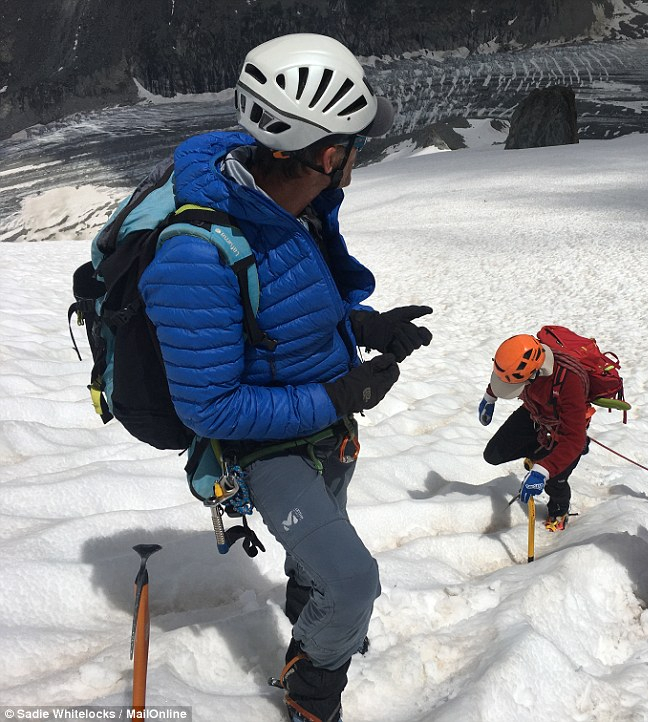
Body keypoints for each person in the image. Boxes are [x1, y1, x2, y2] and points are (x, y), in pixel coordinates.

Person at [138, 34, 432, 722]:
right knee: (354, 578)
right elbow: (211, 406)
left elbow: (287, 311)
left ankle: (315, 618)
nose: (360, 155)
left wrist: (364, 327)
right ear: (328, 156)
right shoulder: (197, 255)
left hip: (324, 427)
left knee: (324, 563)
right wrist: (338, 393)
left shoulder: (283, 209)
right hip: (269, 446)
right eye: (356, 143)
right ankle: (312, 692)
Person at [478, 334, 592, 531]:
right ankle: (539, 452)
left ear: (534, 374)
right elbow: (505, 374)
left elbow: (574, 438)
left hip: (565, 428)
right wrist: (490, 396)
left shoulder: (568, 381)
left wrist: (543, 470)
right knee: (493, 454)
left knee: (555, 478)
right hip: (535, 413)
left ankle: (559, 510)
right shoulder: (518, 360)